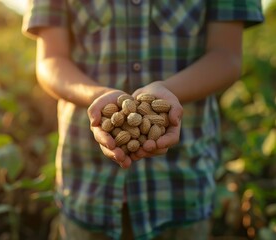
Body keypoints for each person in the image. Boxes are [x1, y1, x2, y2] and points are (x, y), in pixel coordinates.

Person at [22, 0, 264, 239]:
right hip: (88, 182)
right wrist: (96, 95)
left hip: (181, 182)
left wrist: (171, 90)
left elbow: (227, 56)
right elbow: (50, 59)